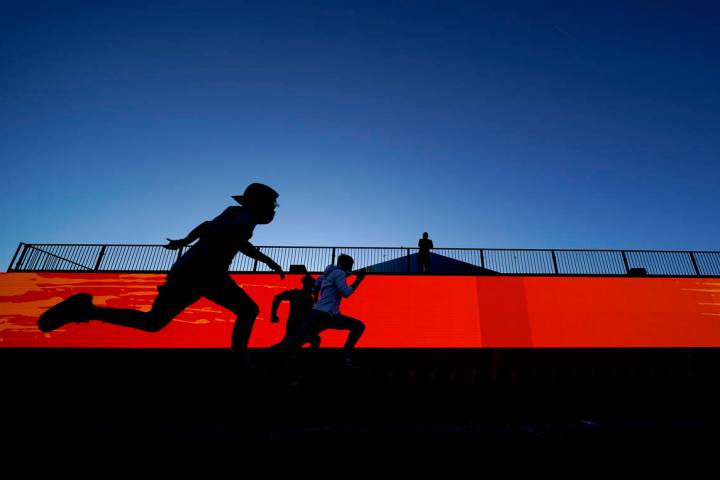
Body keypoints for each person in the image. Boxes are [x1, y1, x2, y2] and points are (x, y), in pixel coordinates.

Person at [37, 182, 285, 351]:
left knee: (153, 322)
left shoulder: (232, 212)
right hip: (206, 273)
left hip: (190, 270)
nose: (273, 210)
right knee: (248, 310)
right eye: (271, 205)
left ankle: (85, 311)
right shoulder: (245, 218)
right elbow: (237, 242)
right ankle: (238, 361)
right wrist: (270, 262)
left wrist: (184, 241)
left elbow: (206, 226)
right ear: (259, 204)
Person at [289, 254, 366, 368]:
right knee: (359, 326)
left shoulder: (326, 275)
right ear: (348, 265)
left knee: (297, 341)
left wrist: (315, 300)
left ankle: (279, 360)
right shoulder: (339, 273)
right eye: (350, 266)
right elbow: (346, 293)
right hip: (329, 315)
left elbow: (315, 287)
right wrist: (358, 279)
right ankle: (345, 357)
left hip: (316, 313)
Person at [270, 274, 321, 349]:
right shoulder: (295, 293)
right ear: (306, 285)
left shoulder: (310, 299)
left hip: (303, 326)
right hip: (294, 325)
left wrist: (316, 296)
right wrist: (273, 314)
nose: (313, 288)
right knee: (287, 343)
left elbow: (315, 312)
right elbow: (278, 297)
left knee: (315, 339)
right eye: (312, 285)